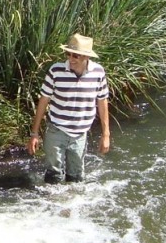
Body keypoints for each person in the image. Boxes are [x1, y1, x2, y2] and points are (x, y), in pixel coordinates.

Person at [26, 33, 110, 182]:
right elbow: (43, 101)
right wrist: (34, 133)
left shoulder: (98, 72)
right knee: (53, 177)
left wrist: (106, 135)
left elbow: (102, 103)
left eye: (75, 56)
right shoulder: (56, 71)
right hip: (56, 129)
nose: (70, 59)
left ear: (86, 57)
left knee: (76, 178)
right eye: (68, 54)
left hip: (80, 134)